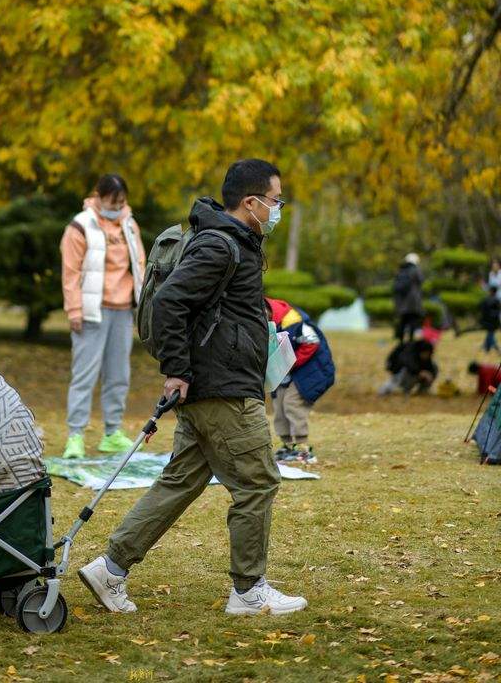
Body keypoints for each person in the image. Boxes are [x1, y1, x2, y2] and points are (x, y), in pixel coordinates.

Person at [78, 159, 307, 617]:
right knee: (258, 482)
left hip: (218, 384)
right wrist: (177, 370)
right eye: (276, 201)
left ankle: (111, 569)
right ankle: (248, 590)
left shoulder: (236, 242)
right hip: (221, 390)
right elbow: (168, 304)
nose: (278, 209)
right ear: (252, 202)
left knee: (179, 483)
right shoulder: (221, 245)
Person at [60, 173, 146, 459]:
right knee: (84, 375)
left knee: (119, 375)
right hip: (91, 312)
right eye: (112, 201)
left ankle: (112, 432)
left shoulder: (130, 225)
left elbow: (140, 265)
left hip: (123, 311)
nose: (117, 206)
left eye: (121, 201)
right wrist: (74, 309)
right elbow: (71, 272)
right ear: (98, 196)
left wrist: (142, 302)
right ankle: (75, 435)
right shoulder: (80, 226)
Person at [268, 298, 335, 464]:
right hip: (286, 372)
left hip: (312, 371)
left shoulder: (294, 320)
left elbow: (312, 342)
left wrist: (291, 361)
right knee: (279, 402)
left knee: (292, 403)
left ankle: (302, 446)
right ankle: (288, 445)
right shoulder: (266, 325)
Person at [392, 253, 424, 341]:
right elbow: (421, 281)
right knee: (412, 321)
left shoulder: (401, 270)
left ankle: (401, 340)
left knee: (403, 321)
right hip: (413, 302)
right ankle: (410, 340)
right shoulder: (416, 270)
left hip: (402, 301)